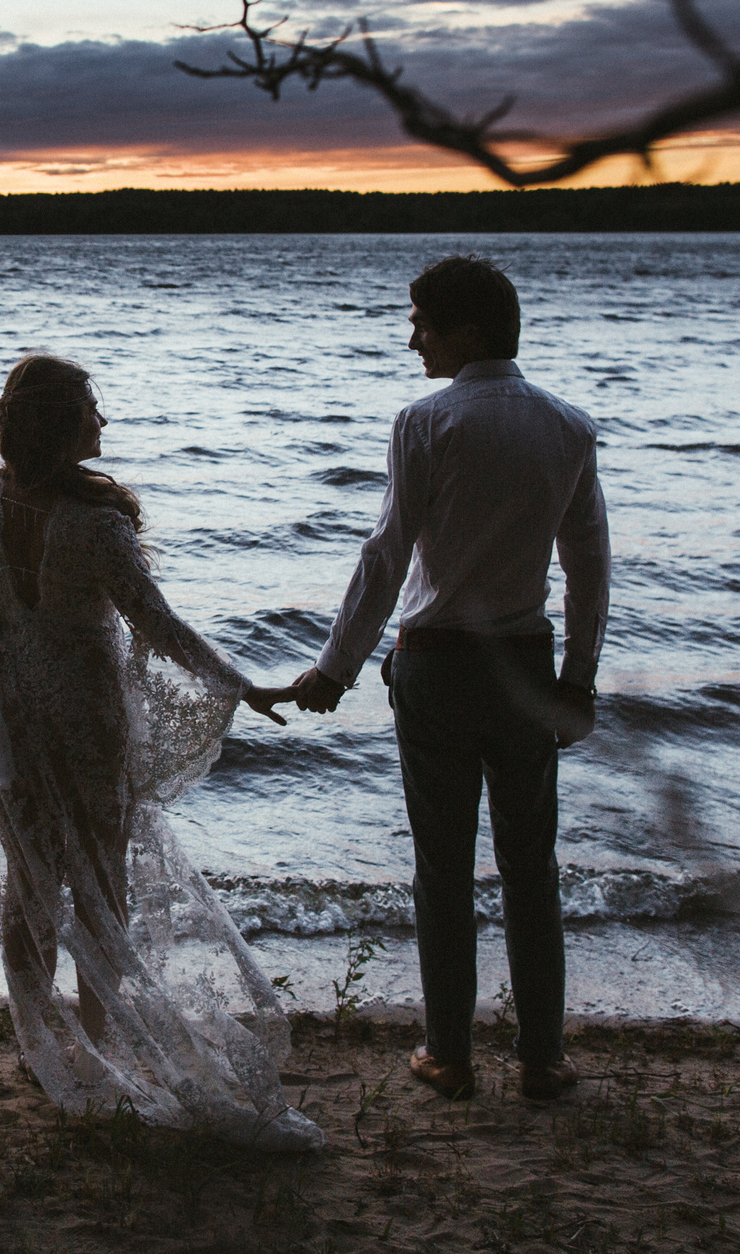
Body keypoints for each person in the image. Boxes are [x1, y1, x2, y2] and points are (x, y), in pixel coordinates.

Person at [0, 353, 323, 1150]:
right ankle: (97, 1039)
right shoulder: (96, 521)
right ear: (60, 424)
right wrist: (239, 684)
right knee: (100, 881)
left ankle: (39, 1039)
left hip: (10, 713)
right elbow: (157, 623)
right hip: (85, 714)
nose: (103, 420)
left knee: (27, 874)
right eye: (90, 407)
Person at [271, 255, 608, 1104]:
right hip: (526, 667)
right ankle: (541, 1057)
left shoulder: (425, 422)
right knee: (531, 864)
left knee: (442, 866)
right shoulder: (568, 426)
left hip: (435, 666)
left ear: (469, 331)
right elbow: (589, 568)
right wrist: (579, 679)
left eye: (422, 320)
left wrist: (335, 667)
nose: (411, 335)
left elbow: (385, 557)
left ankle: (450, 1054)